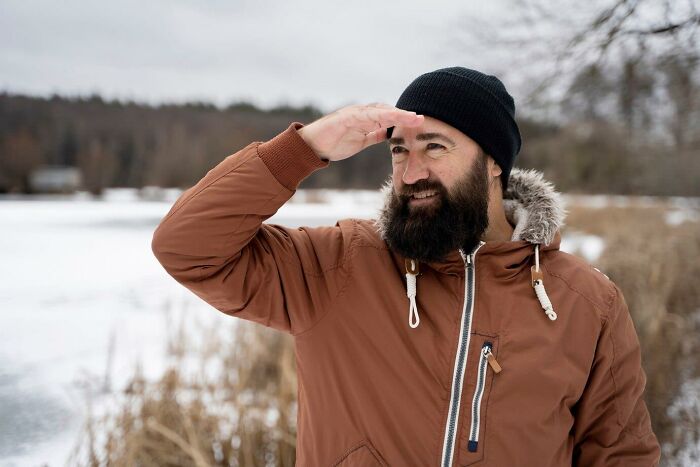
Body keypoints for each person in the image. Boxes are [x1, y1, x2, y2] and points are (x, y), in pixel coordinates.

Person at [151, 67, 661, 466]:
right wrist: (302, 150)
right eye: (399, 150)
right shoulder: (341, 263)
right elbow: (187, 248)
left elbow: (620, 455)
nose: (411, 173)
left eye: (435, 147)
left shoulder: (585, 302)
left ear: (494, 163)